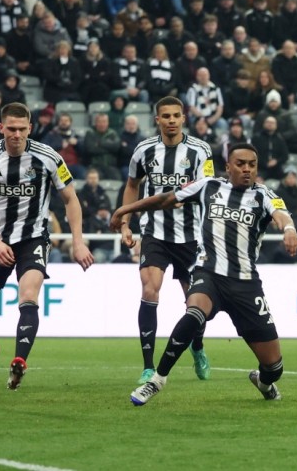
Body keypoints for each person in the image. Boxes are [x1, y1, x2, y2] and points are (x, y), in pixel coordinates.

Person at [112, 143, 297, 406]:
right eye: (240, 164)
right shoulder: (208, 186)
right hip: (209, 273)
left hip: (246, 284)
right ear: (228, 167)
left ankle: (264, 381)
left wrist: (289, 229)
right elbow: (167, 198)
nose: (247, 169)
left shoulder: (263, 195)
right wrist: (126, 210)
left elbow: (281, 215)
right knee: (194, 311)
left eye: (252, 165)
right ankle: (157, 379)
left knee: (274, 367)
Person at [0, 103, 95, 390]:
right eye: (11, 129)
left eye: (22, 129)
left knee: (29, 295)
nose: (17, 134)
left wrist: (78, 242)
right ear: (1, 128)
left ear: (30, 129)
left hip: (33, 236)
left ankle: (19, 362)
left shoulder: (48, 157)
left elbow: (71, 200)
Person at [120, 96, 215, 384]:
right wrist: (126, 223)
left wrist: (183, 198)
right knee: (150, 291)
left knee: (195, 302)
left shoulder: (200, 151)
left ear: (183, 118)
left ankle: (197, 347)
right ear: (157, 119)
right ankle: (149, 366)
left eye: (176, 115)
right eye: (166, 116)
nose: (171, 120)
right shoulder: (144, 150)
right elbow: (132, 185)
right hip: (155, 232)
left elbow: (208, 187)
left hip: (191, 236)